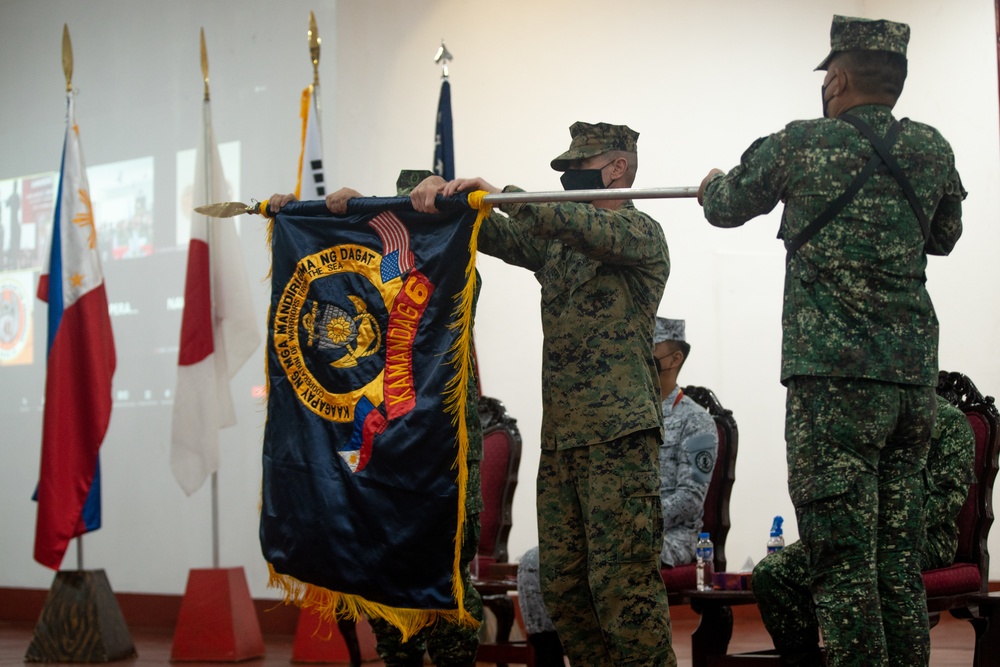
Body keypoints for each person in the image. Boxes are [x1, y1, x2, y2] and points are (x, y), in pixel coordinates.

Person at [698, 15, 965, 667]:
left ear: (837, 79)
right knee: (895, 563)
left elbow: (728, 204)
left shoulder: (802, 144)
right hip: (910, 388)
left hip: (835, 390)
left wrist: (709, 184)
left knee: (843, 568)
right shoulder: (932, 149)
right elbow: (945, 235)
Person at [410, 121, 674, 667]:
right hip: (562, 442)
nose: (566, 179)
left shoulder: (639, 234)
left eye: (578, 168)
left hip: (618, 439)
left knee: (624, 591)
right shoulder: (559, 246)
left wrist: (503, 196)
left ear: (617, 168)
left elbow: (564, 219)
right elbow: (480, 232)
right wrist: (430, 190)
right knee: (566, 589)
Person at [269, 174, 484, 667]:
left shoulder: (454, 263)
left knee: (444, 587)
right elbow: (345, 269)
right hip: (384, 454)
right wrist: (305, 213)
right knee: (382, 579)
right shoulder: (381, 272)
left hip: (443, 456)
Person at [515, 316, 717, 666]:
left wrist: (627, 517)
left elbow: (689, 501)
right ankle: (551, 656)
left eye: (650, 348)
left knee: (609, 559)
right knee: (535, 562)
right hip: (614, 528)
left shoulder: (696, 421)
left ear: (674, 359)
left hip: (674, 537)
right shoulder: (628, 416)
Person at [752, 393, 975, 666]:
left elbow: (949, 499)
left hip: (920, 536)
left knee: (872, 567)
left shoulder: (950, 421)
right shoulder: (863, 417)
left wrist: (891, 519)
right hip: (854, 529)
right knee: (773, 573)